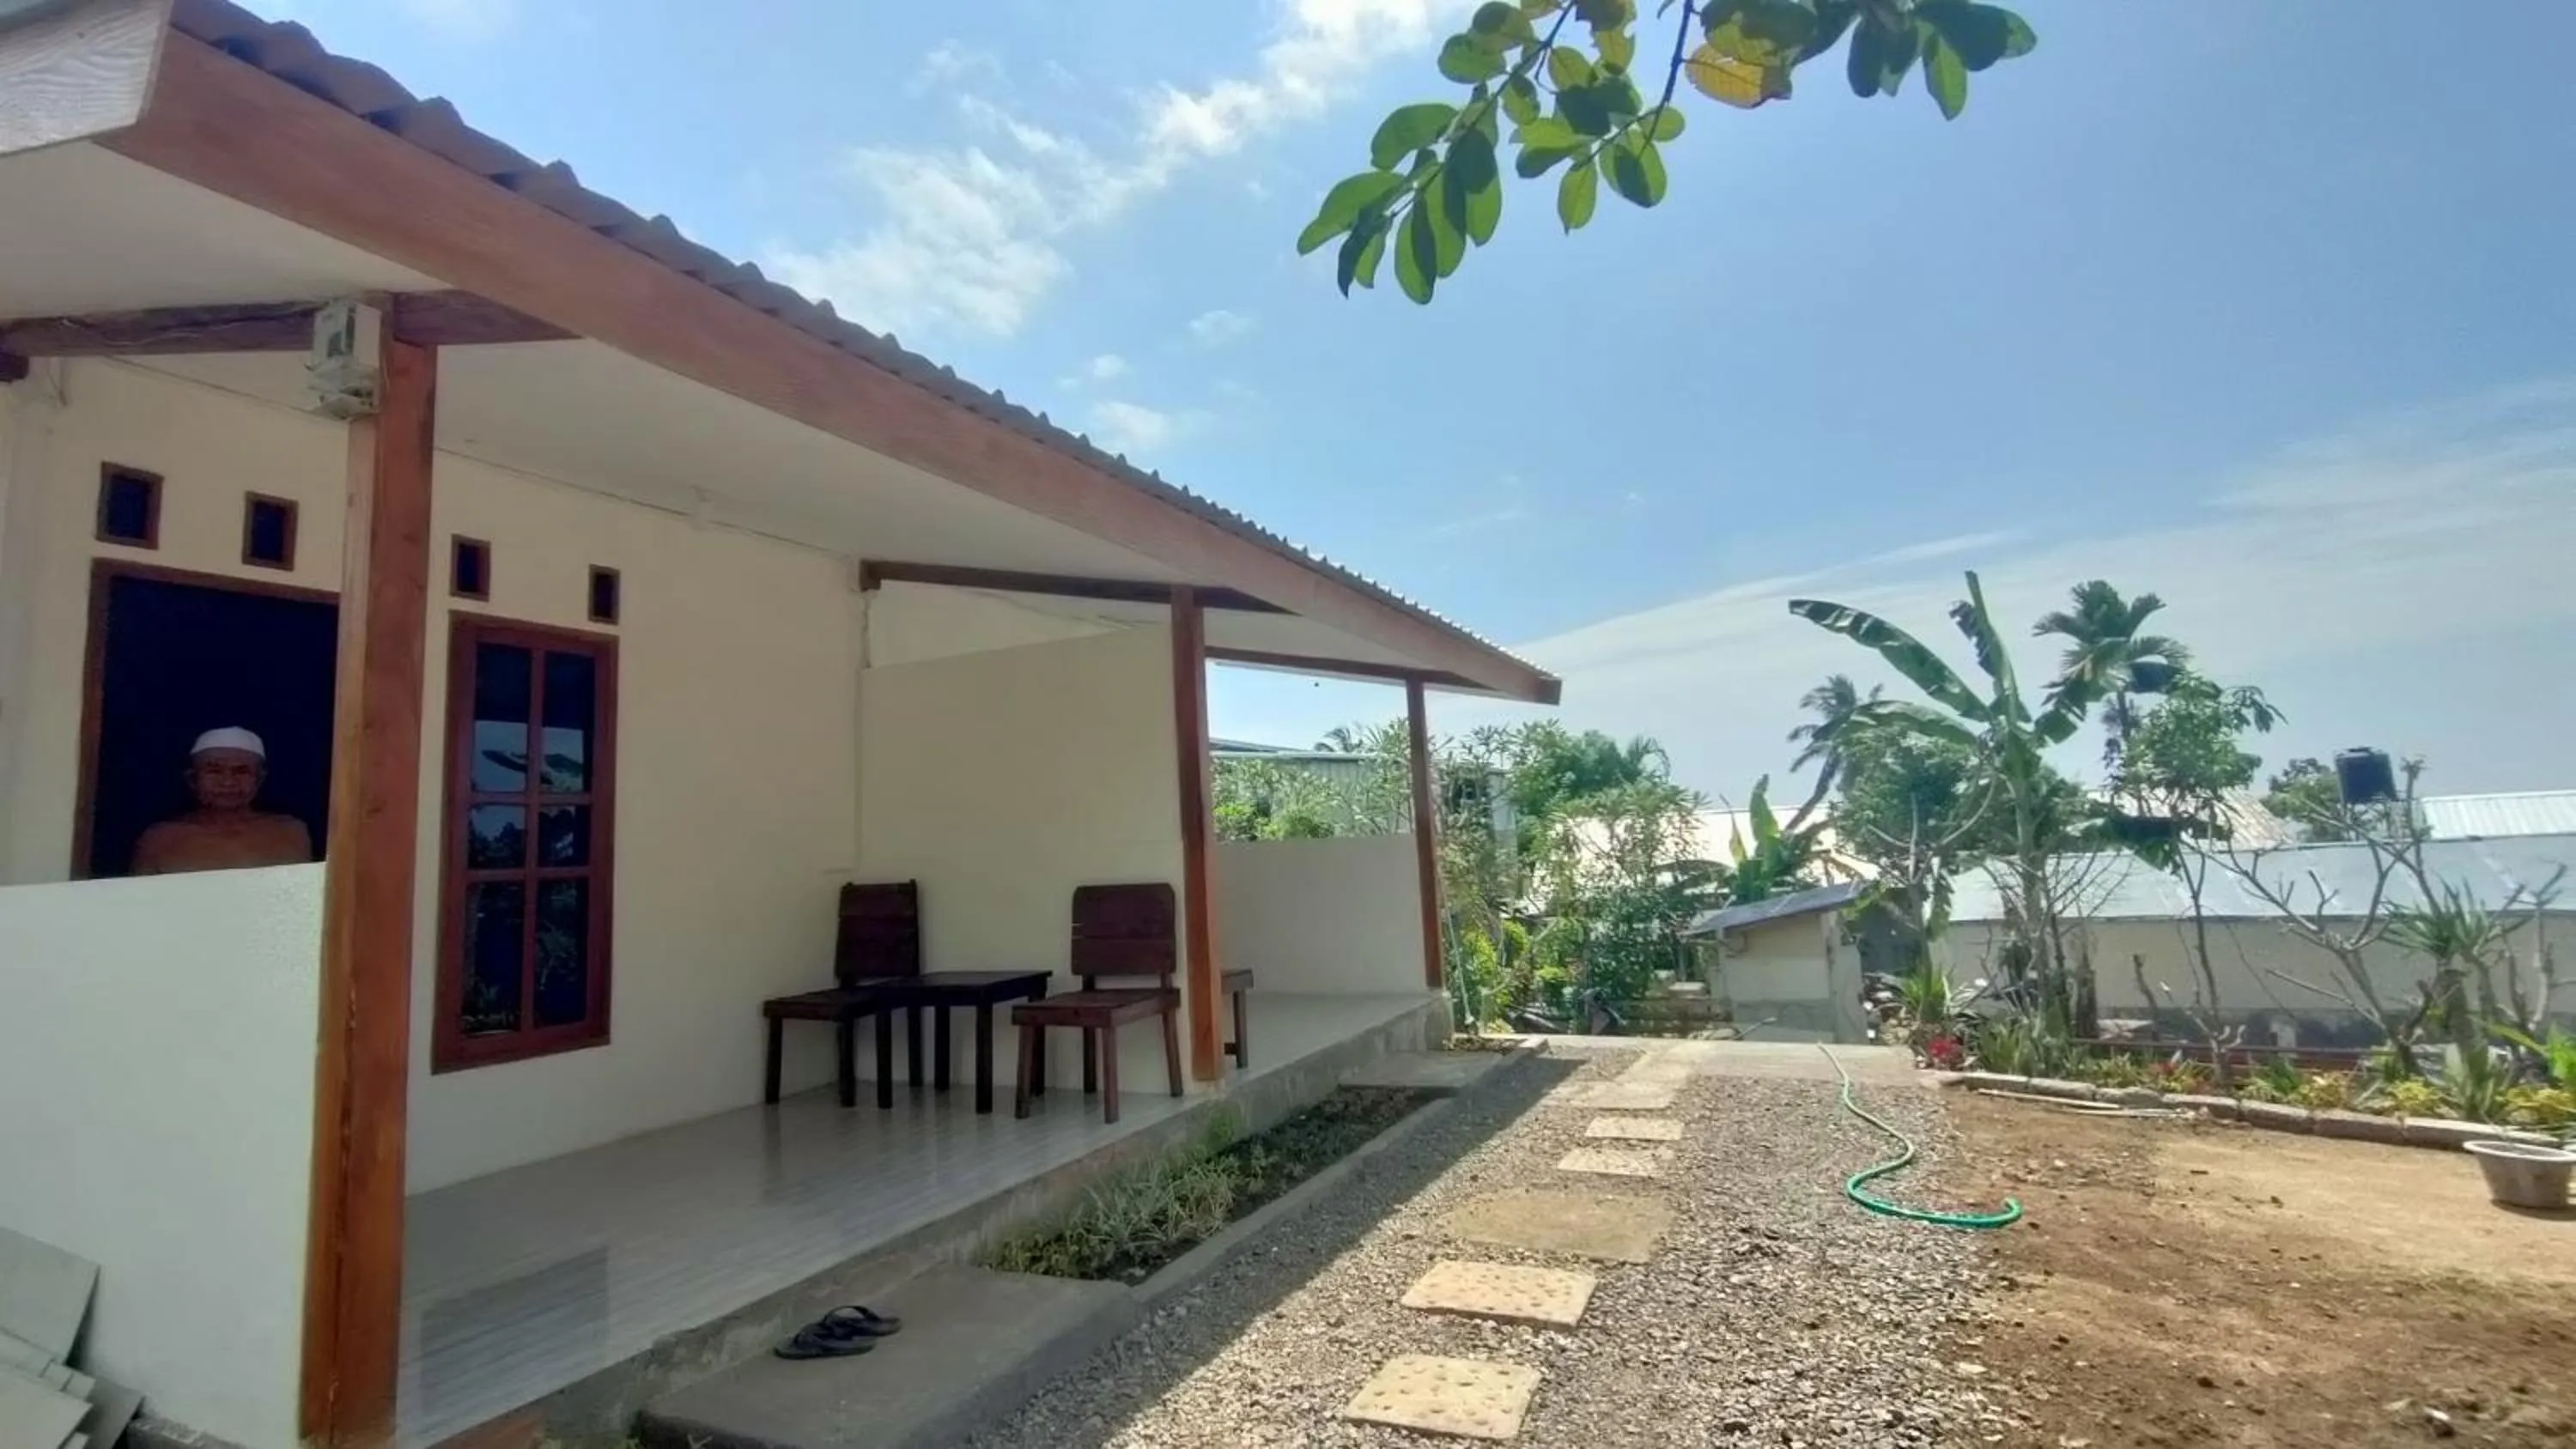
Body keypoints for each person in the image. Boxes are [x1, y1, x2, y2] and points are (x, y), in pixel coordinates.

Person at [131, 727, 314, 875]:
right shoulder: (159, 840)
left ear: (259, 779)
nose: (227, 782)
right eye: (214, 771)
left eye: (242, 771)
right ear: (192, 779)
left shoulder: (291, 833)